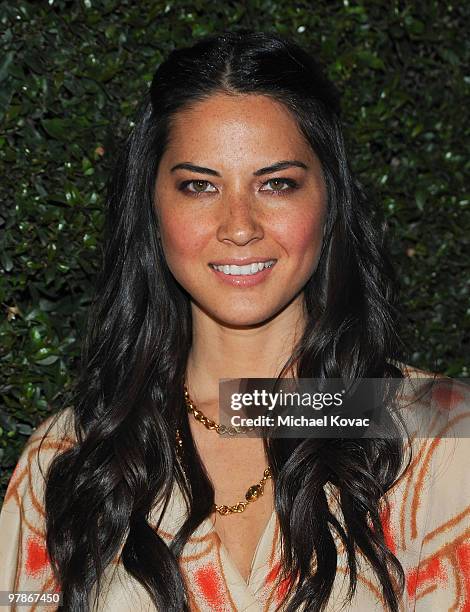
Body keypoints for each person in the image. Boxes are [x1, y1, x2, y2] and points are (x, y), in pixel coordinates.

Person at [0, 30, 469, 612]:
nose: (239, 225)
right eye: (199, 186)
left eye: (276, 184)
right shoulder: (68, 458)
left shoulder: (438, 436)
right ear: (151, 207)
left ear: (329, 201)